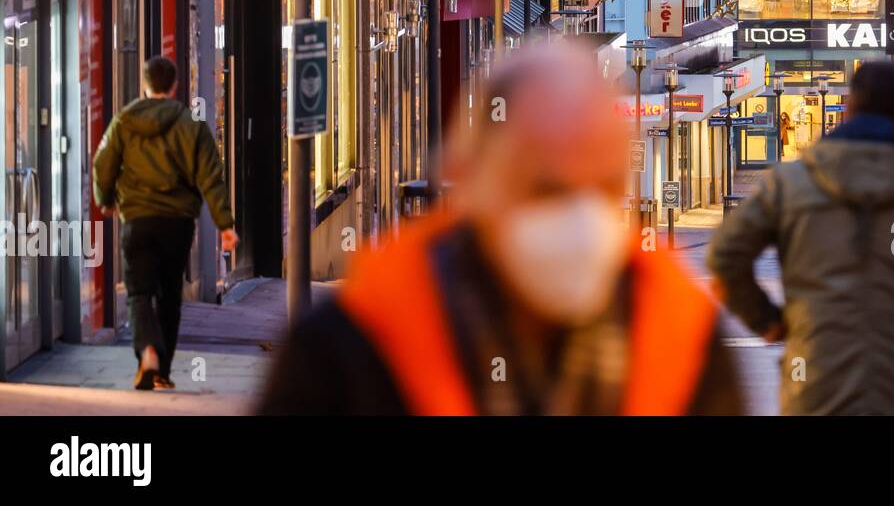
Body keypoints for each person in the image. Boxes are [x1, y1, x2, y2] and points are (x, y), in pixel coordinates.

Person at [258, 42, 742, 415]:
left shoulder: (689, 344)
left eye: (605, 187)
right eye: (546, 187)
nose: (580, 217)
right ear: (468, 176)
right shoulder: (349, 351)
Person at [708, 59, 894, 415]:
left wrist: (769, 321)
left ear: (849, 106)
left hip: (818, 386)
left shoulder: (789, 184)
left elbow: (725, 257)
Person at [93, 56, 237, 390]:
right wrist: (225, 225)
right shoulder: (191, 124)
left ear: (145, 84)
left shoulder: (124, 121)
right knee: (170, 294)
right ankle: (162, 372)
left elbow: (103, 164)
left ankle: (148, 355)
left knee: (139, 293)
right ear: (173, 86)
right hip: (177, 223)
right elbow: (211, 177)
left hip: (138, 220)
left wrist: (107, 200)